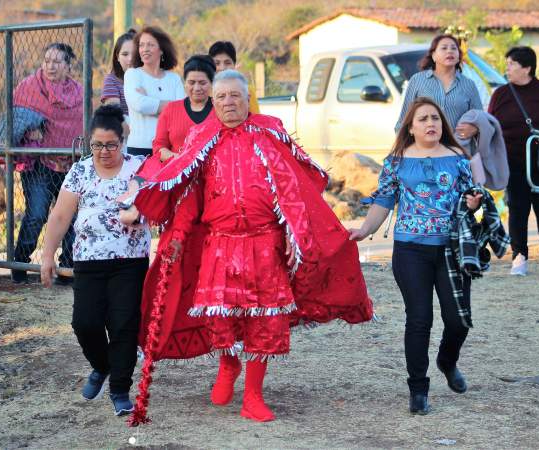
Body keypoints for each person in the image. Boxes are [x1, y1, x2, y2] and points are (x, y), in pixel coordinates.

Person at [121, 70, 373, 423]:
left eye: (235, 96)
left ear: (247, 98)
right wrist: (176, 237)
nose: (228, 103)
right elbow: (190, 197)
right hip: (219, 245)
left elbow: (291, 190)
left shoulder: (269, 133)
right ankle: (228, 365)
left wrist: (291, 232)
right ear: (213, 101)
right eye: (221, 97)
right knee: (219, 318)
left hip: (265, 244)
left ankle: (254, 395)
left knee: (266, 320)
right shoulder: (202, 139)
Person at [350, 97, 482, 415]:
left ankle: (447, 361)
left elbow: (471, 196)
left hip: (451, 251)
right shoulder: (396, 160)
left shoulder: (458, 158)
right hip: (411, 250)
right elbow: (384, 199)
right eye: (422, 119)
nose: (430, 123)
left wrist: (474, 205)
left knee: (458, 320)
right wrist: (365, 230)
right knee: (419, 319)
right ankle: (418, 390)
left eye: (435, 118)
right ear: (411, 127)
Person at [39, 105, 151, 416]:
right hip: (88, 261)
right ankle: (102, 366)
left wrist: (140, 213)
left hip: (130, 260)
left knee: (124, 324)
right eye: (97, 145)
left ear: (122, 140)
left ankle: (119, 389)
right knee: (84, 323)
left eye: (110, 145)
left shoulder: (139, 168)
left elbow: (154, 208)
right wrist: (48, 254)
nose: (103, 151)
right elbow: (61, 215)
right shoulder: (80, 171)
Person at [488, 46, 539, 278]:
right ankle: (519, 256)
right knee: (518, 209)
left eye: (511, 64)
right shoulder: (501, 94)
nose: (507, 68)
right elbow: (491, 124)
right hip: (512, 160)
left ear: (527, 68)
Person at [10, 42, 83, 285]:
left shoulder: (79, 93)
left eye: (57, 61)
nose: (50, 66)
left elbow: (82, 126)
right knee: (36, 214)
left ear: (68, 66)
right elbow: (16, 119)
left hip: (70, 164)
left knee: (72, 217)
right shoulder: (29, 87)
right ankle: (19, 262)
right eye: (47, 60)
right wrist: (30, 128)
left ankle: (66, 267)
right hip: (39, 162)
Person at [394, 34, 482, 141]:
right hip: (424, 151)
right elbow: (404, 120)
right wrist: (405, 149)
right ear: (433, 55)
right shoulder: (417, 80)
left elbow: (481, 119)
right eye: (444, 48)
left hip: (459, 150)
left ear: (459, 56)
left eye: (454, 48)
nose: (449, 51)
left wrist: (475, 128)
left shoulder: (469, 85)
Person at [124, 26, 186, 157]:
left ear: (162, 50)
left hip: (169, 150)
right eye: (141, 45)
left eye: (150, 45)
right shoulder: (133, 74)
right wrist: (170, 107)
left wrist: (149, 100)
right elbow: (139, 104)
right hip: (139, 149)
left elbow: (182, 111)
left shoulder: (174, 79)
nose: (145, 49)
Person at [150, 54, 215, 169]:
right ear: (185, 83)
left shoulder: (220, 110)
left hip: (213, 175)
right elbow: (159, 147)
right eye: (191, 82)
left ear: (212, 83)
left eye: (202, 83)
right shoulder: (171, 109)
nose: (196, 88)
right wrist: (179, 158)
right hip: (177, 175)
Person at [101, 28, 136, 137]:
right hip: (124, 140)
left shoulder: (150, 78)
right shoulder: (111, 80)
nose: (130, 59)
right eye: (125, 54)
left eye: (134, 54)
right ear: (117, 57)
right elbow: (116, 118)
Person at [208, 41, 260, 114]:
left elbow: (256, 119)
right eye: (217, 63)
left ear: (234, 65)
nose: (222, 68)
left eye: (227, 63)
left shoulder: (246, 90)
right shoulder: (205, 91)